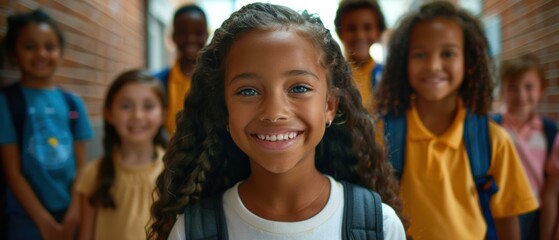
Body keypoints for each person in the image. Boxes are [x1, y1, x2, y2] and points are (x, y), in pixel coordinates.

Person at [148, 3, 406, 240]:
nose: (274, 112)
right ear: (224, 110)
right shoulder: (192, 231)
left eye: (299, 88)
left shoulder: (379, 225)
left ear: (329, 106)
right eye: (248, 91)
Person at [375, 1, 538, 239]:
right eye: (420, 54)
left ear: (469, 63)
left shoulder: (494, 141)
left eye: (448, 53)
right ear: (403, 63)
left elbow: (507, 220)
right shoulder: (382, 135)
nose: (433, 65)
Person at [0, 9, 93, 240]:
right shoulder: (6, 102)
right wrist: (44, 222)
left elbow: (83, 167)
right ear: (13, 53)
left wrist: (73, 214)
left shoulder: (73, 103)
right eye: (30, 46)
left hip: (70, 216)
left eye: (49, 47)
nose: (41, 53)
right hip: (25, 220)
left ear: (60, 53)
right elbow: (12, 172)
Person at [75, 70, 167, 240]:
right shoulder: (94, 173)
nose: (137, 115)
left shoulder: (174, 173)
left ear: (163, 114)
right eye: (126, 106)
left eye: (148, 106)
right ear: (109, 113)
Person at [495, 54, 559, 240]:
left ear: (542, 89)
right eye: (512, 88)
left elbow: (552, 190)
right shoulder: (492, 129)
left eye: (529, 87)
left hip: (536, 214)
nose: (521, 95)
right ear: (502, 90)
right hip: (500, 213)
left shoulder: (550, 132)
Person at [153, 4, 208, 136]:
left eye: (198, 33)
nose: (190, 39)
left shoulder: (219, 81)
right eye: (183, 33)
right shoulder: (157, 82)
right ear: (173, 36)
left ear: (206, 35)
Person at [334, 0, 386, 113]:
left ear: (379, 31)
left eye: (368, 27)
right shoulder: (332, 76)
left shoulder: (388, 77)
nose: (360, 35)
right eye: (351, 28)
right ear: (339, 32)